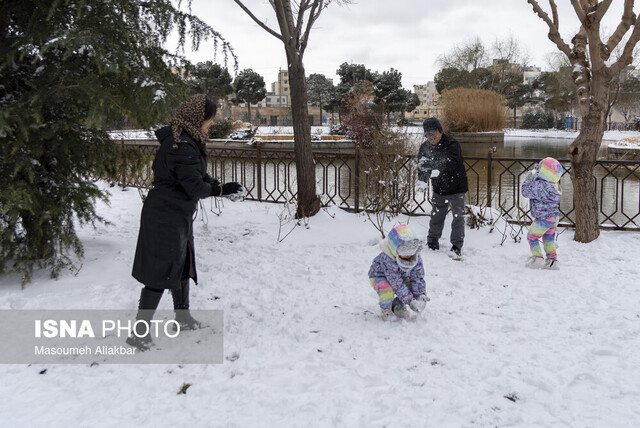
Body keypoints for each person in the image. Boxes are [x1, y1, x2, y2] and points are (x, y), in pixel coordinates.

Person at [127, 94, 243, 351]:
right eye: (209, 120)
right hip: (165, 217)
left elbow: (195, 174)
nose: (211, 124)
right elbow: (194, 186)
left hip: (175, 213)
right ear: (197, 119)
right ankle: (139, 333)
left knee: (181, 265)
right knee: (160, 273)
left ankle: (182, 318)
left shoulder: (185, 139)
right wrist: (221, 191)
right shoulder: (181, 145)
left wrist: (215, 184)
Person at [417, 117, 469, 257]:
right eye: (427, 134)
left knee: (458, 217)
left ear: (440, 131)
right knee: (436, 215)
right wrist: (422, 181)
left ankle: (456, 246)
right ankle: (432, 241)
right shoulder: (424, 147)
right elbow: (421, 165)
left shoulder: (452, 144)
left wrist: (434, 166)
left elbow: (451, 162)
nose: (431, 137)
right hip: (440, 188)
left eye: (433, 133)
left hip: (457, 186)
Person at [368, 224, 429, 320]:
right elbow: (396, 284)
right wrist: (410, 301)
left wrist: (419, 295)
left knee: (409, 287)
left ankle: (397, 305)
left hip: (401, 276)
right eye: (404, 254)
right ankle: (386, 309)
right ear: (394, 249)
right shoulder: (388, 259)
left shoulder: (416, 258)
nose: (408, 256)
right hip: (379, 276)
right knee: (387, 291)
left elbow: (417, 277)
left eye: (411, 253)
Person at [521, 157, 563, 270]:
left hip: (543, 219)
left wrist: (528, 180)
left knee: (532, 237)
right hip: (553, 218)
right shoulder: (553, 185)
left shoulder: (540, 185)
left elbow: (525, 192)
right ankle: (552, 261)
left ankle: (537, 259)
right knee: (548, 239)